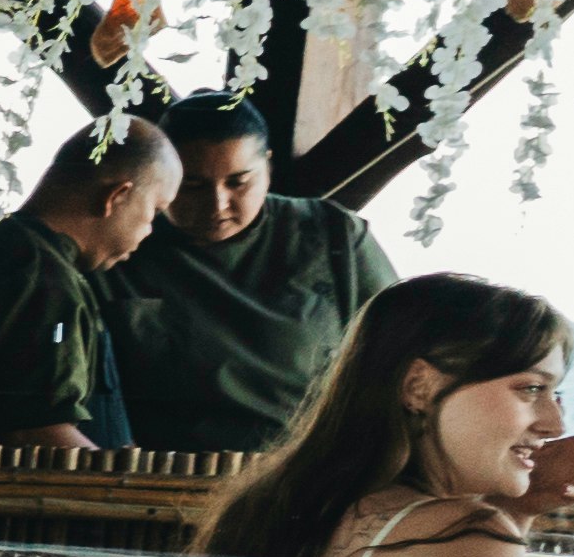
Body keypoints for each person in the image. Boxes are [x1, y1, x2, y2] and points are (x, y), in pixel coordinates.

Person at [197, 276, 574, 557]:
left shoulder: (278, 505)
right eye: (530, 390)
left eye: (555, 393)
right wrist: (496, 523)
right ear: (419, 386)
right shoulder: (466, 538)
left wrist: (514, 512)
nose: (554, 423)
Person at [98, 93, 394, 458]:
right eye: (192, 186)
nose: (217, 204)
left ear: (268, 168)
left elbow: (404, 358)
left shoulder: (334, 238)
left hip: (310, 472)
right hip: (164, 477)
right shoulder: (120, 244)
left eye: (238, 182)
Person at [0, 116, 180, 454]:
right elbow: (34, 435)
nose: (149, 231)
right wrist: (128, 480)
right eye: (154, 212)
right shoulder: (43, 280)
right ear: (117, 196)